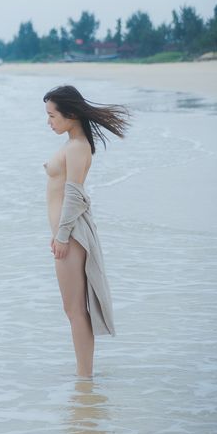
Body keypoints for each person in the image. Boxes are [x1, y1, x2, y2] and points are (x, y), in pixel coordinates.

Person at [43, 85, 130, 378]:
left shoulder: (78, 147)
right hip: (66, 233)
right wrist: (58, 232)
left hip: (72, 235)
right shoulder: (72, 144)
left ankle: (85, 378)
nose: (49, 121)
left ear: (70, 114)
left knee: (75, 310)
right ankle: (84, 376)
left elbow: (74, 194)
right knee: (73, 309)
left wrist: (62, 235)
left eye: (52, 115)